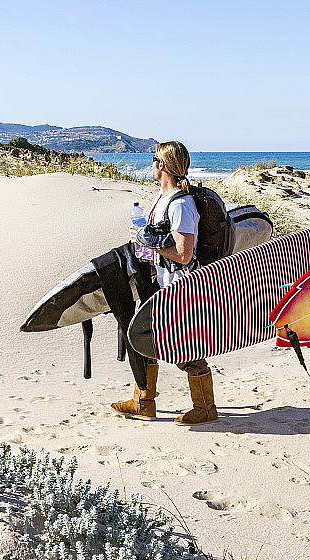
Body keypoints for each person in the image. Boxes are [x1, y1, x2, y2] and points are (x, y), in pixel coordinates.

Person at [110, 140, 218, 425]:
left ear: (163, 165)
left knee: (186, 347)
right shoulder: (163, 199)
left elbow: (184, 255)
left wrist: (150, 244)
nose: (152, 163)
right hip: (164, 282)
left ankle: (205, 408)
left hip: (182, 286)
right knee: (147, 338)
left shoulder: (182, 204)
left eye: (155, 158)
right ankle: (143, 402)